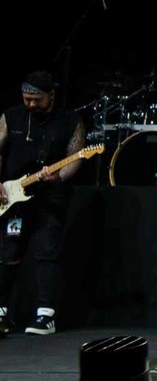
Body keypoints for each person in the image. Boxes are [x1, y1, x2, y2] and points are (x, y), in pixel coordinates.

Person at [0, 71, 87, 336]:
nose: (31, 104)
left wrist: (59, 177)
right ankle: (1, 310)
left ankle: (45, 315)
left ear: (51, 95)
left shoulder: (70, 121)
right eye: (26, 99)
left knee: (47, 252)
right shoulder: (11, 117)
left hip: (50, 197)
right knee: (8, 252)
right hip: (14, 196)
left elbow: (75, 157)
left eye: (36, 99)